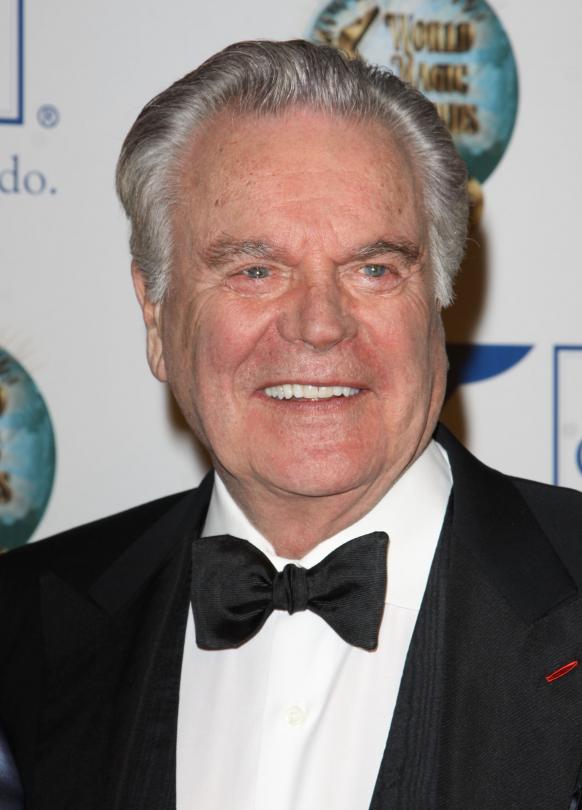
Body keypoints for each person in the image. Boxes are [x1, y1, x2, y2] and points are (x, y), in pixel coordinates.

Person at [1, 39, 582, 810]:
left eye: (373, 269)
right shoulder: (19, 628)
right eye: (255, 270)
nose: (319, 325)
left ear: (438, 298)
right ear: (156, 315)